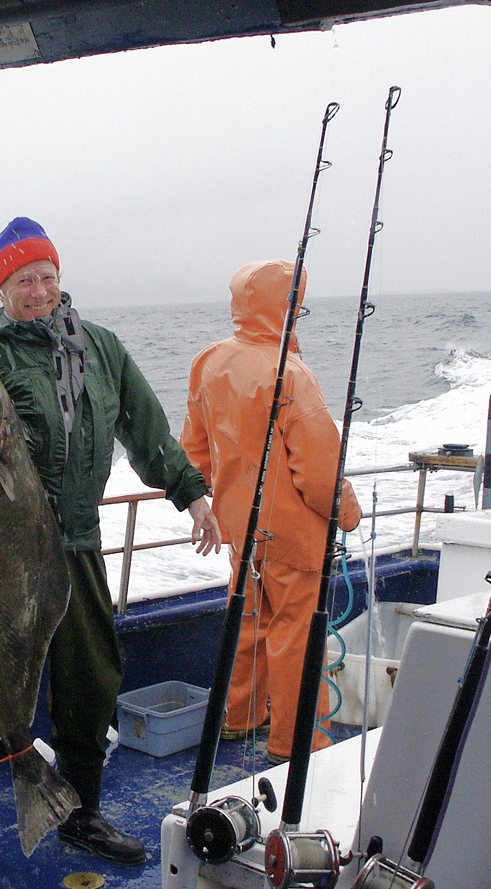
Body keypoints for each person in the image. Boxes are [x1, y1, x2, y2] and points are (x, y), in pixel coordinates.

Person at [0, 217, 222, 889]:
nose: (38, 291)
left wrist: (193, 494)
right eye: (23, 281)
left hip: (80, 546)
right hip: (7, 565)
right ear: (0, 288)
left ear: (61, 279)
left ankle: (81, 815)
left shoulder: (102, 348)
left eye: (47, 277)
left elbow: (146, 428)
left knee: (92, 688)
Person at [180, 259, 361, 767]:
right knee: (296, 638)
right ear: (288, 308)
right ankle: (294, 741)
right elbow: (320, 475)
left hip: (241, 532)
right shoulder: (294, 376)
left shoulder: (208, 362)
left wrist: (217, 506)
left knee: (249, 623)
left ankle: (238, 719)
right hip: (296, 539)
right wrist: (347, 512)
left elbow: (193, 452)